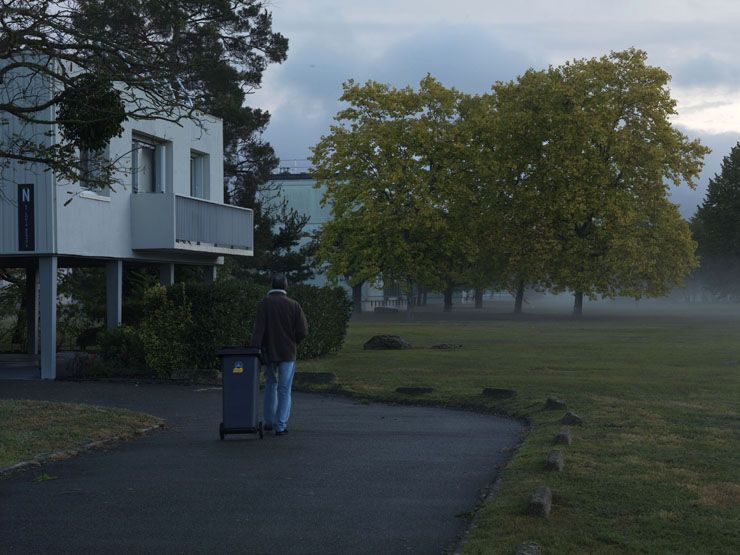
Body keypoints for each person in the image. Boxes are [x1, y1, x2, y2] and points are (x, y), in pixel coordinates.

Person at [250, 274, 308, 436]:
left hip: (269, 352)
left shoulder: (264, 304)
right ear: (286, 287)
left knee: (270, 385)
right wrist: (293, 342)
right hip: (288, 352)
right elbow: (303, 331)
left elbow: (258, 331)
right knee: (284, 389)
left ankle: (269, 421)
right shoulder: (294, 305)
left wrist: (256, 349)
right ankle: (280, 425)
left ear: (271, 286)